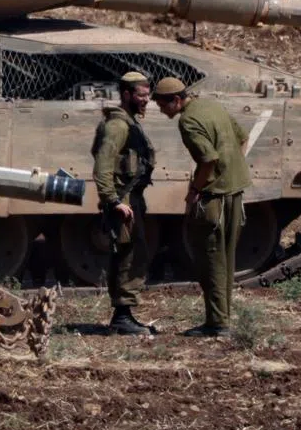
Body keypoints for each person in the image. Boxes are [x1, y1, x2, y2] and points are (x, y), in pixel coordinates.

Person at [152, 76, 251, 338]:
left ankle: (218, 324)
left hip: (213, 199)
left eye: (162, 105)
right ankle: (223, 318)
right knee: (226, 259)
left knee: (211, 261)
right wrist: (229, 171)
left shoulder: (188, 121)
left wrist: (194, 190)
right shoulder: (212, 106)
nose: (161, 111)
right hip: (235, 192)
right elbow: (242, 138)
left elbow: (208, 159)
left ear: (176, 100)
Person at [91, 71, 157, 335]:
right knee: (127, 256)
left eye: (148, 94)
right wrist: (113, 199)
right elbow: (102, 167)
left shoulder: (128, 123)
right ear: (127, 95)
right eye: (141, 95)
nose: (147, 100)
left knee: (133, 252)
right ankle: (122, 315)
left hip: (130, 198)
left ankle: (125, 313)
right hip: (124, 200)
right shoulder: (117, 126)